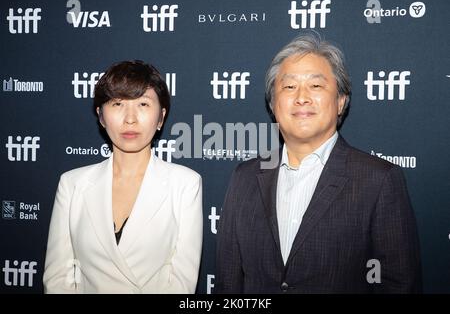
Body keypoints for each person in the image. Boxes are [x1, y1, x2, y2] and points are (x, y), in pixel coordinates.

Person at [215, 34, 422, 293]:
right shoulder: (244, 176)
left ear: (340, 101)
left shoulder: (379, 180)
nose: (302, 97)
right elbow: (228, 282)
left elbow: (399, 285)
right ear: (273, 104)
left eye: (316, 86)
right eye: (289, 87)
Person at [43, 60, 202, 293]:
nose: (130, 118)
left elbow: (181, 283)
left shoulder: (185, 184)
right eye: (117, 104)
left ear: (161, 117)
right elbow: (59, 277)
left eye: (143, 104)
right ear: (101, 116)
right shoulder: (73, 184)